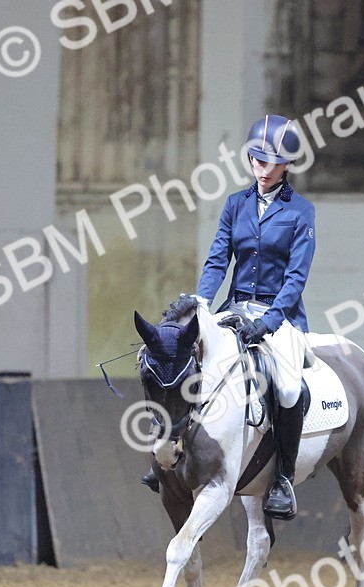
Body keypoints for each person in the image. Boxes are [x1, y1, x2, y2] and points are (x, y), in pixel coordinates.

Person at [144, 114, 315, 520]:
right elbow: (218, 259)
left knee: (289, 388)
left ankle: (283, 480)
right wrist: (202, 305)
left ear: (287, 164)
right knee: (190, 364)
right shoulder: (235, 204)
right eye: (256, 157)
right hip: (235, 309)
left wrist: (271, 321)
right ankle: (168, 458)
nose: (262, 165)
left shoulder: (302, 212)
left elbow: (296, 277)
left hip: (280, 316)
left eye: (270, 160)